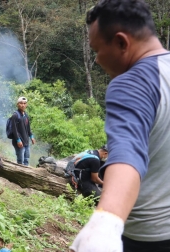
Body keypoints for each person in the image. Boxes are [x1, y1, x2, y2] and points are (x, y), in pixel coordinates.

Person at [70, 0, 170, 251]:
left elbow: (127, 152)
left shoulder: (133, 82)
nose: (95, 60)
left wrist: (105, 223)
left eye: (96, 49)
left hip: (148, 237)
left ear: (121, 43)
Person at [11, 96, 35, 166]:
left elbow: (28, 128)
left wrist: (31, 136)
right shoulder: (15, 115)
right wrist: (18, 140)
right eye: (21, 103)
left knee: (26, 160)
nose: (23, 105)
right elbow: (14, 129)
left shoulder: (25, 115)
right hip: (19, 142)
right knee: (20, 161)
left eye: (24, 103)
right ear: (17, 104)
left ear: (26, 104)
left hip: (26, 142)